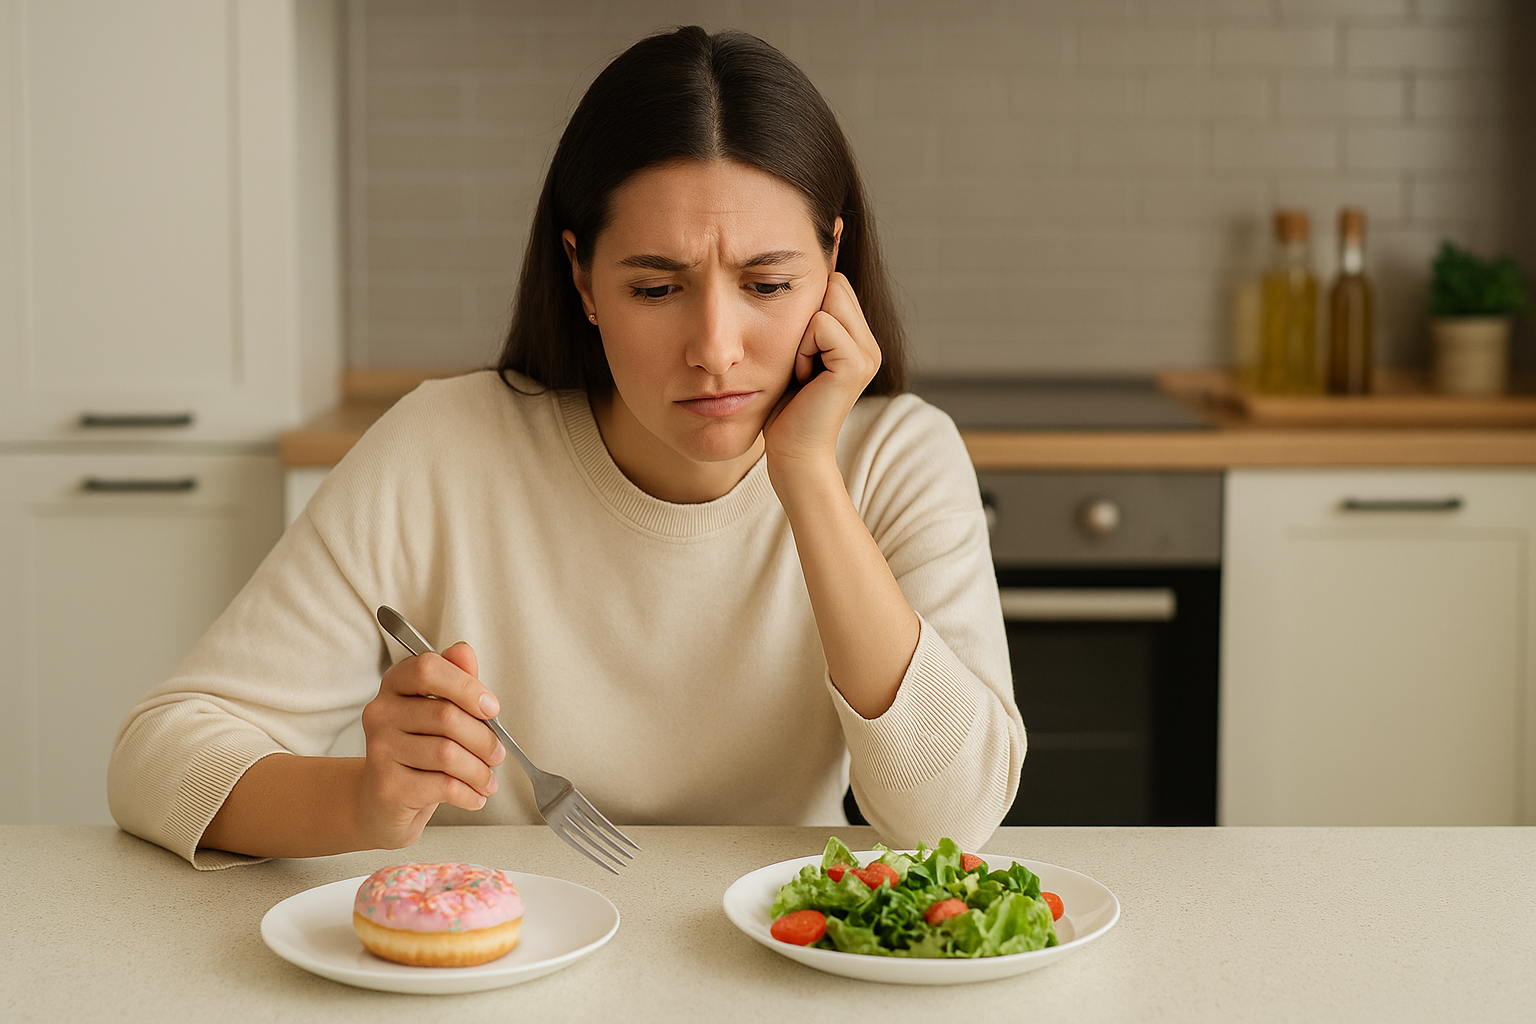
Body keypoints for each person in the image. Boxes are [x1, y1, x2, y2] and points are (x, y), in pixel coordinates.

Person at [108, 26, 1024, 870]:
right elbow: (160, 756)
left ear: (833, 264)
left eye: (768, 283)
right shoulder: (443, 448)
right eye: (657, 289)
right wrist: (363, 800)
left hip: (779, 966)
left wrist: (807, 475)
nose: (715, 345)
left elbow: (952, 817)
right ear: (583, 278)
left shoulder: (899, 458)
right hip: (493, 966)